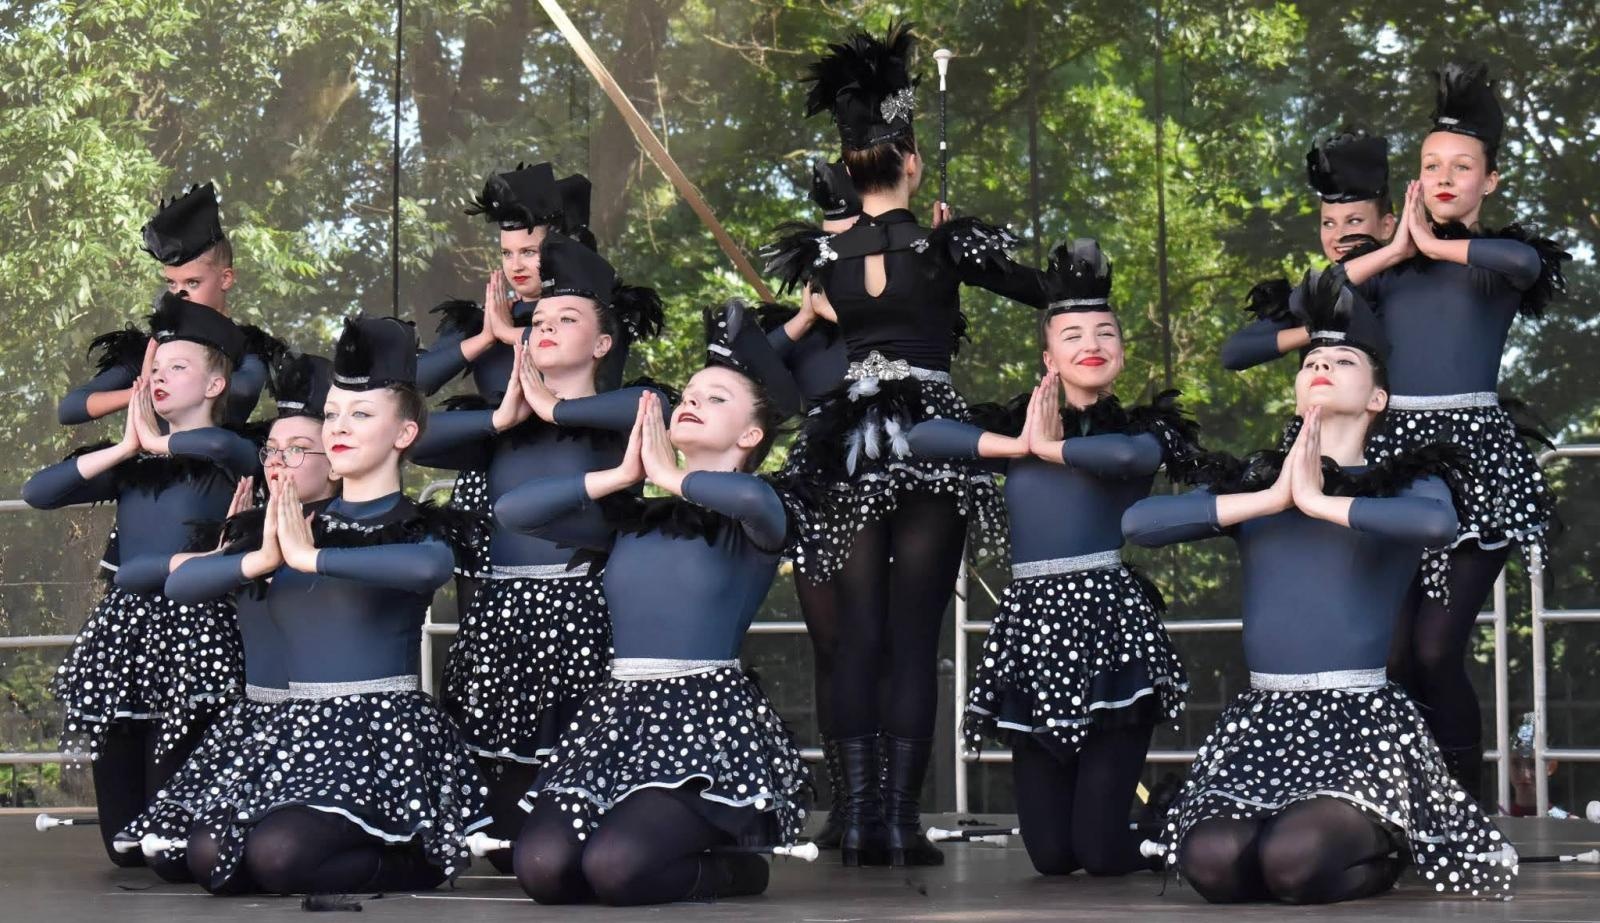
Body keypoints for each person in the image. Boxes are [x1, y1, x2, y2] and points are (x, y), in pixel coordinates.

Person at [1123, 267, 1515, 903]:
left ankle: (1388, 846)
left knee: (1292, 862)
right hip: (1265, 723)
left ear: (1377, 399)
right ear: (1298, 388)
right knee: (1212, 863)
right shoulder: (1257, 488)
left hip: (1359, 728)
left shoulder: (1407, 483)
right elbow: (1138, 524)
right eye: (1311, 362)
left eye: (1343, 361)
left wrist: (1319, 502)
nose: (1322, 366)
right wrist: (1274, 498)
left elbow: (1436, 524)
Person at [765, 22, 1047, 866]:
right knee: (915, 635)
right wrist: (954, 243)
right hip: (929, 433)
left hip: (849, 437)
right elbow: (1043, 290)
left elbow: (784, 343)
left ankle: (857, 820)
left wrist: (829, 303)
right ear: (912, 162)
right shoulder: (941, 244)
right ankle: (898, 821)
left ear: (850, 167)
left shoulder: (823, 256)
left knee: (858, 634)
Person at [159, 317, 490, 895]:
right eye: (332, 414)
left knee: (277, 856)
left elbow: (429, 568)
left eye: (360, 415)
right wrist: (261, 559)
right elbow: (179, 587)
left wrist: (312, 559)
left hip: (376, 735)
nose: (339, 426)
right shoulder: (293, 527)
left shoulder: (411, 525)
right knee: (209, 857)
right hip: (296, 729)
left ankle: (418, 859)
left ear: (404, 433)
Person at [501, 301, 808, 906]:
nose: (690, 402)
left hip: (704, 724)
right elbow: (514, 513)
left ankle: (739, 872)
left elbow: (753, 502)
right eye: (688, 394)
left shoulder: (760, 511)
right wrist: (621, 477)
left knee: (616, 870)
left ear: (750, 435)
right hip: (616, 717)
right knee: (540, 868)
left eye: (715, 398)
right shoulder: (633, 520)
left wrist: (669, 476)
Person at [909, 239, 1198, 877]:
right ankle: (1146, 824)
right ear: (1048, 357)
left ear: (1122, 351)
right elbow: (922, 437)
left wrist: (1049, 449)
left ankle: (1168, 837)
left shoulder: (1142, 430)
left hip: (1108, 628)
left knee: (1098, 853)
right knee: (1051, 857)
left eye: (1105, 333)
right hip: (1033, 630)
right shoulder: (1016, 431)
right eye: (1072, 335)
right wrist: (1019, 444)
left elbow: (1126, 459)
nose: (1091, 344)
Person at [1340, 62, 1568, 794]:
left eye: (1462, 166)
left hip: (1477, 466)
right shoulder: (1386, 269)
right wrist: (1396, 249)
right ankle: (1414, 805)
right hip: (1394, 462)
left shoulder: (1495, 264)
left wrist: (1435, 246)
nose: (1444, 177)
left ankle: (1469, 811)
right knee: (1395, 656)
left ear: (1490, 180)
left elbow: (1525, 262)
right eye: (1431, 164)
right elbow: (1317, 296)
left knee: (1437, 651)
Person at [410, 231, 662, 873]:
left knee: (573, 822)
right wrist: (501, 417)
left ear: (603, 345)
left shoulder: (625, 411)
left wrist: (553, 405)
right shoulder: (503, 427)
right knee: (506, 847)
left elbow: (656, 404)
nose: (544, 327)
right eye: (539, 320)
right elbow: (410, 437)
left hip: (584, 614)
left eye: (566, 319)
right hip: (503, 617)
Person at [23, 295, 256, 867]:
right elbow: (38, 492)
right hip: (125, 630)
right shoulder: (133, 464)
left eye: (177, 367)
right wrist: (128, 447)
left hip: (197, 631)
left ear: (215, 385)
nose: (158, 378)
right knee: (124, 849)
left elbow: (223, 445)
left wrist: (154, 440)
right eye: (154, 369)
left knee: (169, 850)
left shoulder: (234, 454)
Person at [113, 352, 339, 883]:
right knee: (177, 858)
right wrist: (228, 554)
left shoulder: (354, 532)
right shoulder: (246, 534)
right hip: (255, 727)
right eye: (273, 450)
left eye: (298, 450)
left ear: (336, 460)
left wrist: (302, 554)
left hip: (326, 730)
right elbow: (134, 576)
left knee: (268, 856)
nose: (279, 462)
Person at [1221, 130, 1396, 372]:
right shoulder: (1309, 301)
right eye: (1328, 223)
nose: (1339, 235)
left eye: (1354, 221)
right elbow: (1234, 354)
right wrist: (1317, 327)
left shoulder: (1408, 281)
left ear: (1387, 226)